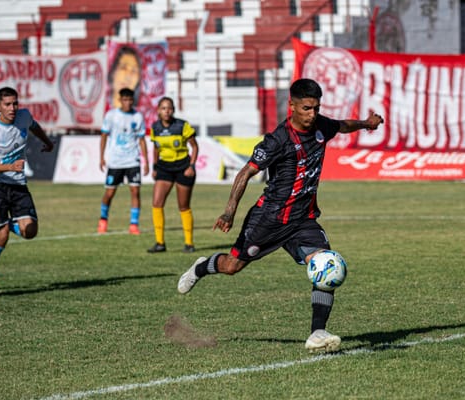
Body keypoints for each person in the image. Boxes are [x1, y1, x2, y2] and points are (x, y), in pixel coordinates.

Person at [177, 78, 384, 352]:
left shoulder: (322, 125)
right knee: (231, 266)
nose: (312, 114)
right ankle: (202, 267)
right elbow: (245, 172)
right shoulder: (278, 140)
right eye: (307, 108)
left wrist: (366, 124)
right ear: (292, 106)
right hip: (269, 218)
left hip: (303, 221)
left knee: (327, 264)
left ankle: (317, 333)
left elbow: (342, 125)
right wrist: (229, 212)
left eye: (316, 108)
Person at [0, 87, 54, 292]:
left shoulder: (24, 116)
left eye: (15, 103)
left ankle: (3, 221)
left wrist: (47, 142)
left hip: (18, 185)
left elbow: (34, 126)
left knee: (30, 231)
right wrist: (9, 167)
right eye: (7, 104)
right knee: (2, 235)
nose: (12, 108)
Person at [147, 97, 199, 253]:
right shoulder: (155, 127)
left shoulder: (182, 126)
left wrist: (191, 166)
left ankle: (189, 244)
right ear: (158, 111)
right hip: (164, 168)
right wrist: (154, 167)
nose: (166, 111)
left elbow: (195, 147)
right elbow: (156, 149)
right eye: (163, 108)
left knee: (183, 206)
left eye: (169, 108)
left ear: (173, 110)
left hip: (183, 167)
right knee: (157, 203)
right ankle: (159, 243)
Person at [97, 88, 149, 235]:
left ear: (133, 100)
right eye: (125, 99)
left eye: (130, 100)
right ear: (120, 100)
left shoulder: (138, 116)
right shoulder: (111, 115)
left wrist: (146, 162)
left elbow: (142, 140)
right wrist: (101, 157)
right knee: (109, 193)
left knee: (135, 191)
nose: (127, 102)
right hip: (115, 161)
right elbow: (104, 136)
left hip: (133, 160)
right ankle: (103, 220)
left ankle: (134, 224)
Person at [108, 45, 141, 111]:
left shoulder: (141, 116)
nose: (128, 76)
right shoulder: (99, 110)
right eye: (123, 67)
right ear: (112, 72)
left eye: (134, 71)